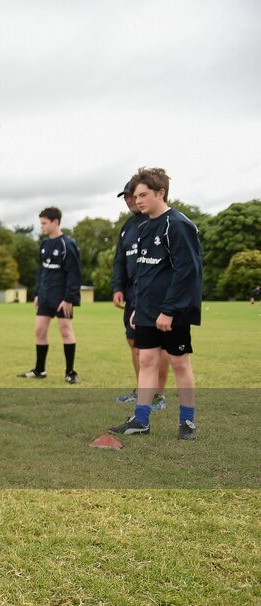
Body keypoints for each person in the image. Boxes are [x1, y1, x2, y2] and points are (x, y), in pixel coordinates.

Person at [110, 167, 202, 440]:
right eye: (135, 195)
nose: (137, 200)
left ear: (160, 193)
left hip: (173, 312)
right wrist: (139, 306)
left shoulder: (179, 224)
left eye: (143, 194)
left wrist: (169, 310)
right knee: (147, 360)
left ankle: (188, 422)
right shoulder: (144, 227)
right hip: (148, 310)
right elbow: (145, 272)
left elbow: (187, 273)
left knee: (179, 364)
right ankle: (141, 420)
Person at [111, 177, 168, 408]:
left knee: (159, 346)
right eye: (126, 196)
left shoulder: (160, 221)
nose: (130, 200)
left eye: (134, 195)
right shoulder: (127, 227)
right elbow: (119, 260)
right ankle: (142, 390)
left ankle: (159, 395)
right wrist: (117, 287)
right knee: (134, 342)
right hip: (134, 295)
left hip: (157, 294)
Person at [18, 207, 81, 383]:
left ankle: (70, 372)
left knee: (66, 331)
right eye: (41, 223)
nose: (42, 226)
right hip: (45, 296)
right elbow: (41, 271)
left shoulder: (67, 244)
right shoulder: (45, 244)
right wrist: (38, 293)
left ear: (55, 222)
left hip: (62, 299)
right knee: (39, 330)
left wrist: (69, 299)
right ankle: (40, 370)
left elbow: (74, 274)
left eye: (44, 223)